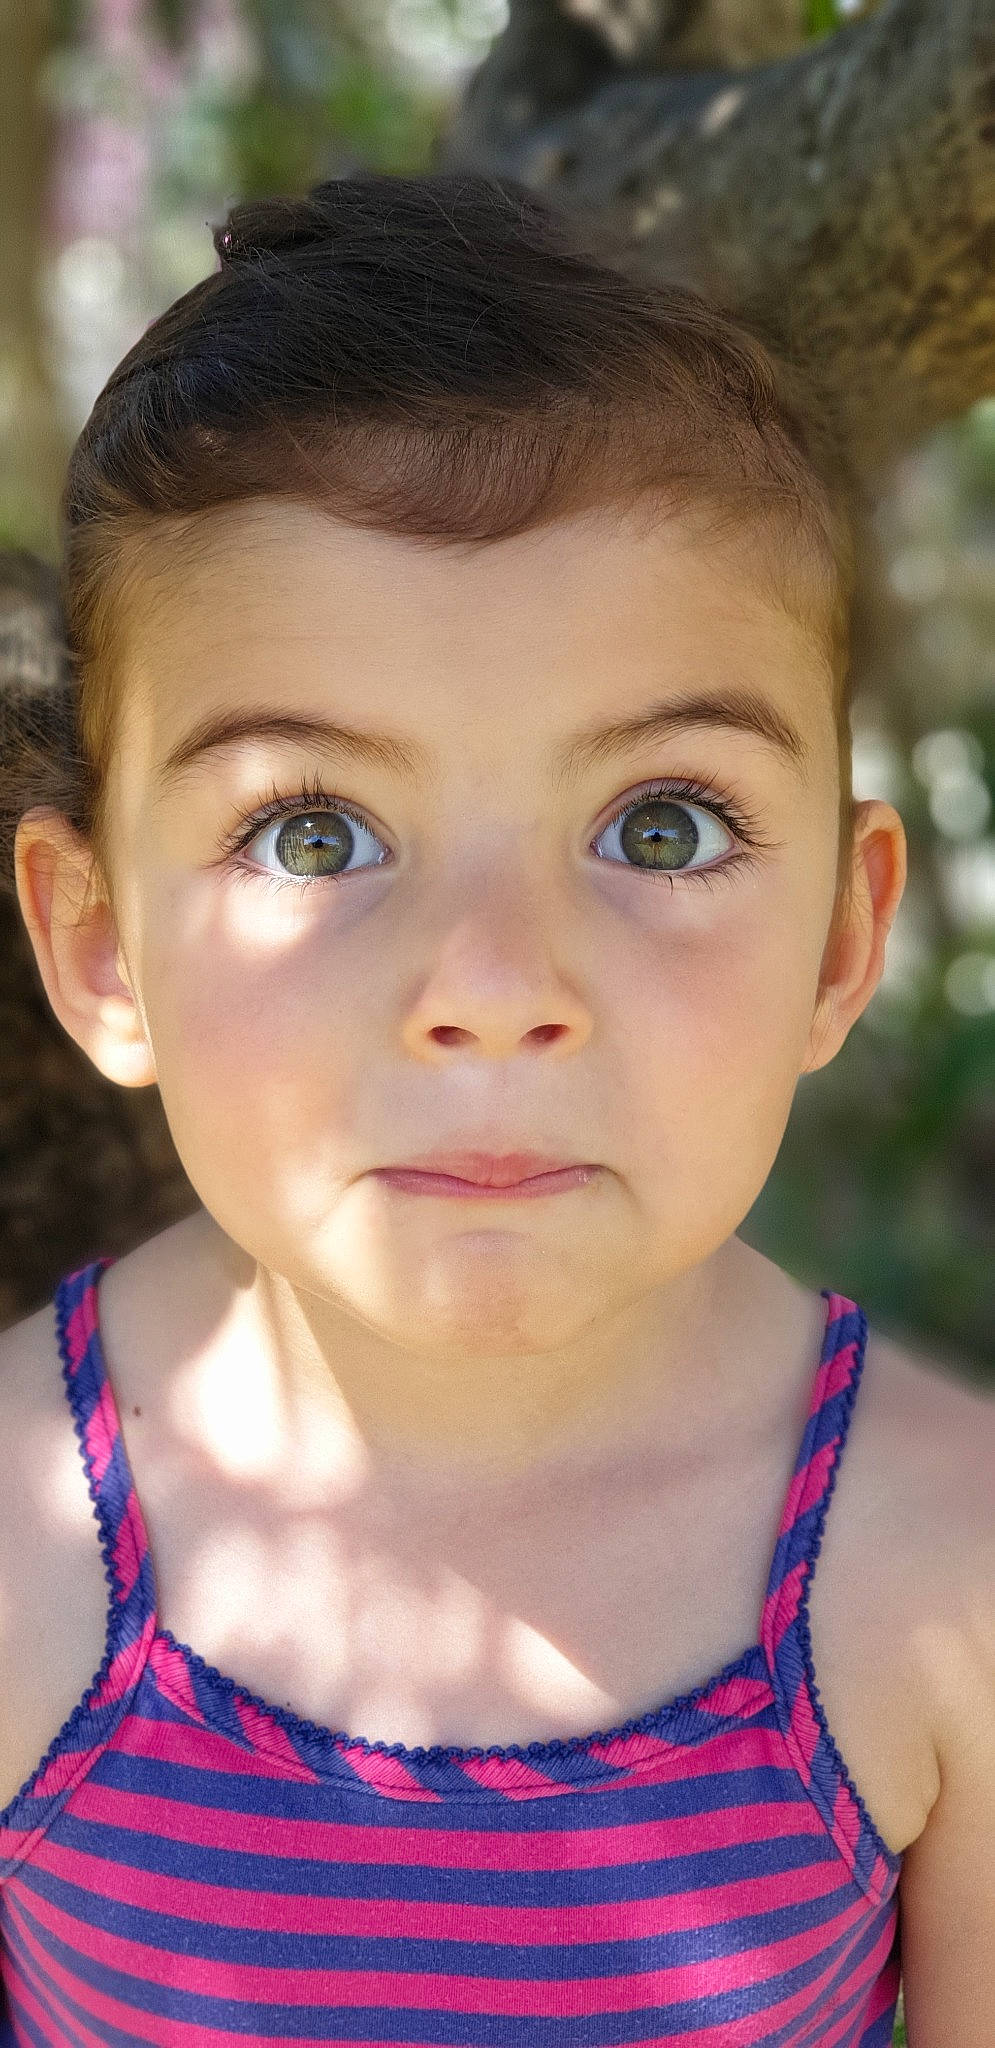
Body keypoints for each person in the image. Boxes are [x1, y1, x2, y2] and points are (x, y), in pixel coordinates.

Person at [0, 170, 991, 2048]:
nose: (494, 988)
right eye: (314, 832)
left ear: (844, 939)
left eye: (662, 826)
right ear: (103, 945)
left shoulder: (945, 1565)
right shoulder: (15, 1547)